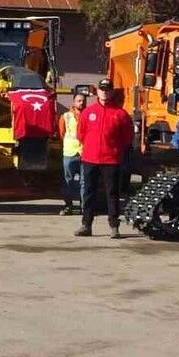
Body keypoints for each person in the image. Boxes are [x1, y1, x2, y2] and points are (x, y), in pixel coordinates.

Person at [75, 78, 133, 238]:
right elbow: (81, 134)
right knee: (88, 193)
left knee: (112, 194)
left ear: (112, 91)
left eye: (107, 89)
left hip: (111, 161)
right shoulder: (88, 112)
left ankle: (114, 226)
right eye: (102, 89)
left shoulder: (120, 114)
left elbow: (127, 138)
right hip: (90, 159)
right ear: (97, 92)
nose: (104, 92)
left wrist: (115, 150)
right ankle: (86, 225)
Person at [56, 89, 87, 215]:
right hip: (69, 154)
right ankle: (68, 206)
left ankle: (83, 207)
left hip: (84, 154)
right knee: (68, 181)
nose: (81, 103)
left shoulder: (88, 115)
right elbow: (61, 133)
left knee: (84, 182)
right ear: (73, 102)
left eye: (83, 101)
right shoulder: (66, 116)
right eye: (79, 101)